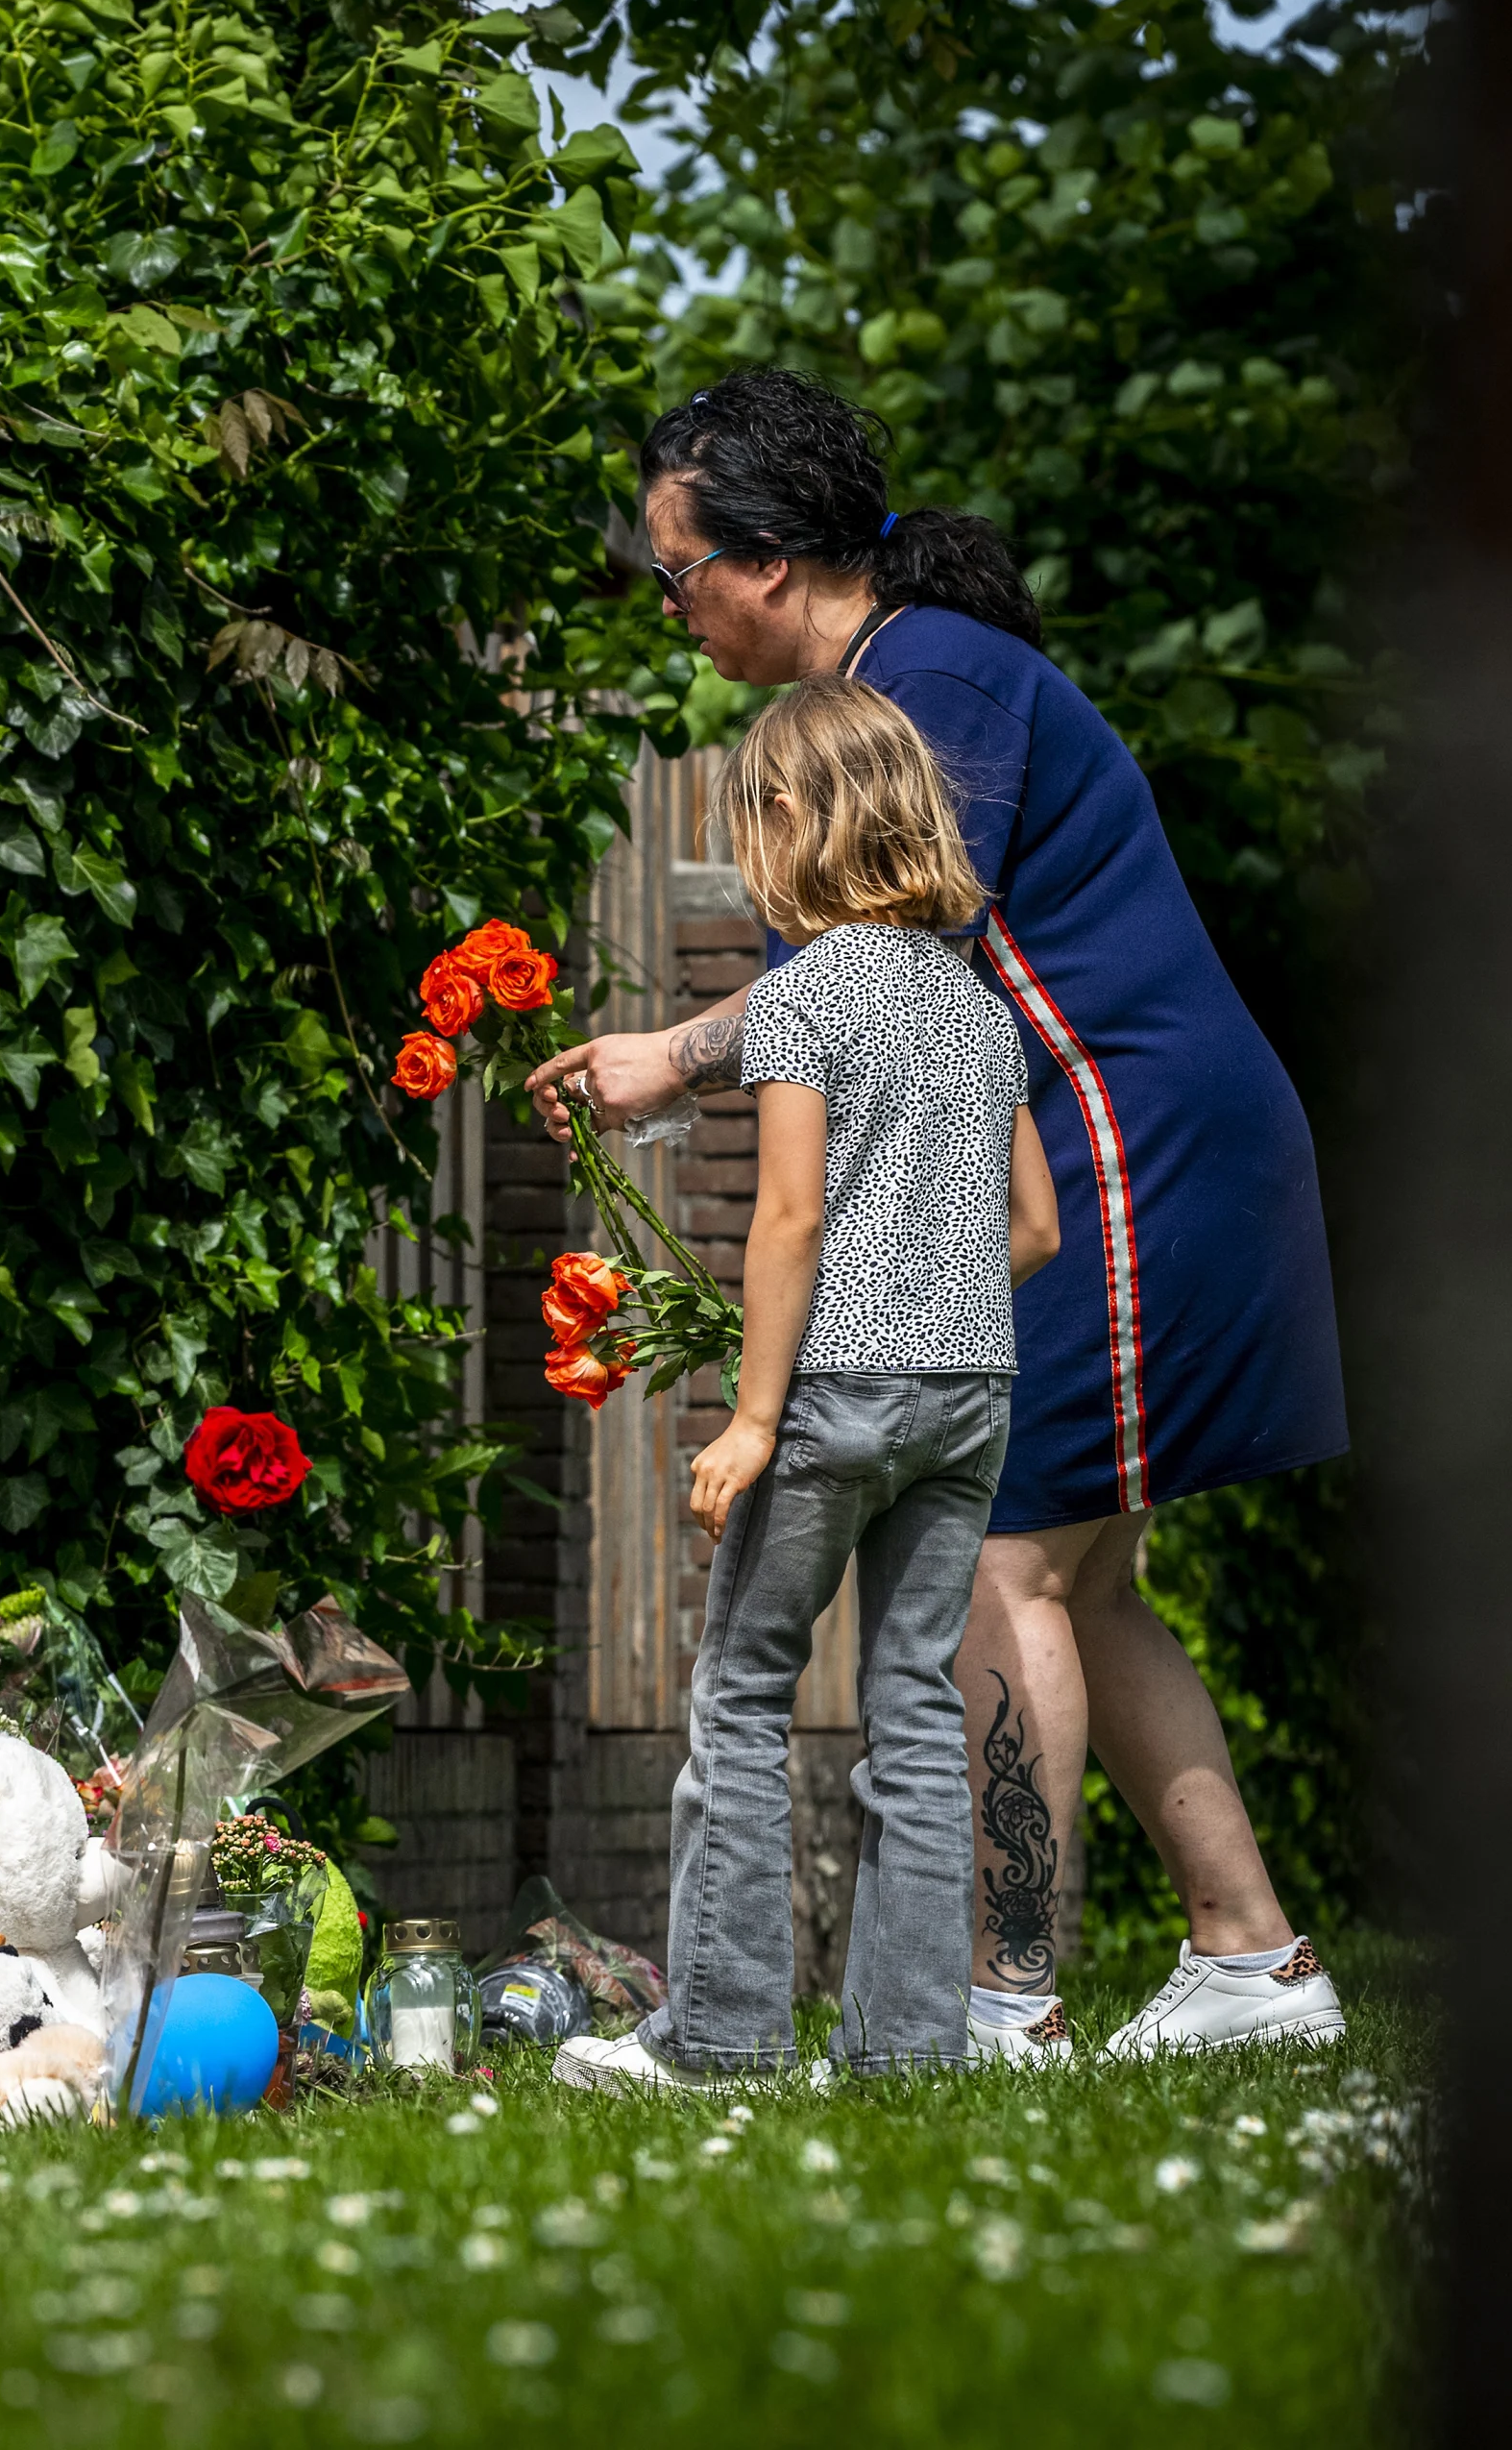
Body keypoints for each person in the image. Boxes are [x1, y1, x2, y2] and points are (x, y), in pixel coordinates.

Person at [530, 371, 1349, 2063]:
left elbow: (885, 964)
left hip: (1126, 1145)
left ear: (765, 562)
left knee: (1005, 1568)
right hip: (1141, 1141)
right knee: (1080, 1578)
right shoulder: (914, 672)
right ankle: (1250, 1959)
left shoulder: (932, 678)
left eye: (675, 575)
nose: (668, 609)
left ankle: (999, 2002)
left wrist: (671, 1062)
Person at [556, 674, 1058, 2091]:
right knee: (911, 1702)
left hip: (834, 1392)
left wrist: (759, 1416)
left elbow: (787, 1219)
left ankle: (722, 2039)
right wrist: (936, 1312)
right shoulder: (976, 1005)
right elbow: (1036, 1227)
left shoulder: (801, 999)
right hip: (971, 1392)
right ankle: (906, 2052)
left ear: (791, 817)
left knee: (743, 1694)